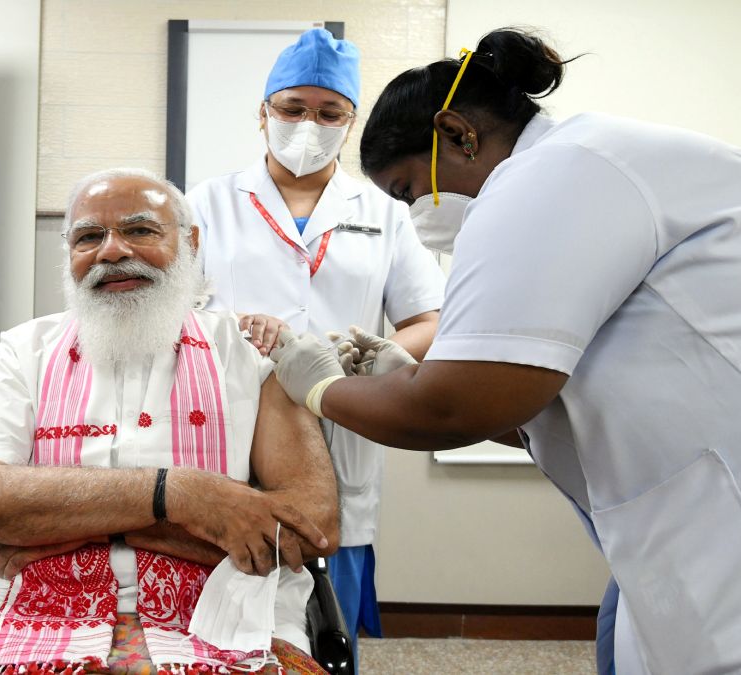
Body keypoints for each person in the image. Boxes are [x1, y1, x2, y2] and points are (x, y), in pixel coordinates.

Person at [266, 26, 741, 675]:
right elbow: (538, 406)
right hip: (693, 513)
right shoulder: (578, 167)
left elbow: (453, 409)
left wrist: (318, 384)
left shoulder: (554, 174)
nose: (417, 214)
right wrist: (401, 375)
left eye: (408, 190)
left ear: (459, 133)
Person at [0, 168, 339, 675]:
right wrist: (182, 495)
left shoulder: (256, 355)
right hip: (24, 609)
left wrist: (69, 524)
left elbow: (311, 526)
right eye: (89, 237)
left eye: (140, 230)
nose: (112, 251)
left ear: (189, 242)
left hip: (226, 616)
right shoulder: (21, 353)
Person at [186, 28, 446, 649]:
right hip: (232, 417)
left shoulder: (383, 211)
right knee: (223, 608)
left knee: (328, 604)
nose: (310, 123)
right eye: (293, 108)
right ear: (264, 114)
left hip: (342, 419)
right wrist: (238, 337)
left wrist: (372, 360)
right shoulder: (209, 204)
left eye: (329, 112)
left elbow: (429, 318)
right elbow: (174, 316)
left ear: (350, 122)